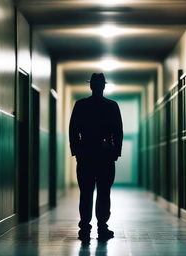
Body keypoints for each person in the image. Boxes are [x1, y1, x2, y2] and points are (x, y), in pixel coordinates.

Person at [69, 73, 123, 242]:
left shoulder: (81, 105)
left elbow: (73, 131)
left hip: (86, 156)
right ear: (102, 86)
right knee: (103, 193)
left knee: (86, 193)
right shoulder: (112, 106)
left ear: (91, 86)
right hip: (104, 156)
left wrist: (78, 151)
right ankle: (101, 228)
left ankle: (85, 229)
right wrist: (114, 152)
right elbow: (118, 132)